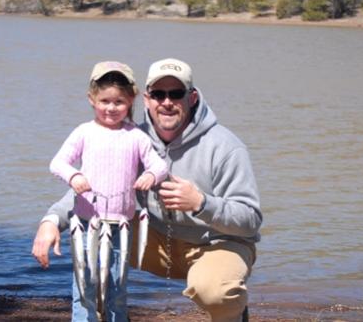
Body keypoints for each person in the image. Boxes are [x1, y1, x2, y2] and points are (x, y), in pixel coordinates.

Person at [32, 58, 262, 322]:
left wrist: (201, 203)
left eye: (176, 94)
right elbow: (94, 192)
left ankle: (232, 310)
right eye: (158, 94)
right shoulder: (132, 138)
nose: (166, 102)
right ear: (145, 99)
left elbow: (251, 221)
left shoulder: (224, 146)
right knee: (98, 240)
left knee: (216, 292)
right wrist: (51, 221)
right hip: (158, 239)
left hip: (214, 243)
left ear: (192, 97)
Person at [45, 60, 168, 322]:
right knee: (84, 287)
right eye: (104, 101)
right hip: (86, 225)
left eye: (119, 102)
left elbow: (160, 166)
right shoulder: (84, 132)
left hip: (121, 227)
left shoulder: (136, 136)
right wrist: (74, 175)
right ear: (92, 99)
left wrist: (149, 175)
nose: (111, 108)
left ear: (131, 100)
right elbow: (57, 163)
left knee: (116, 287)